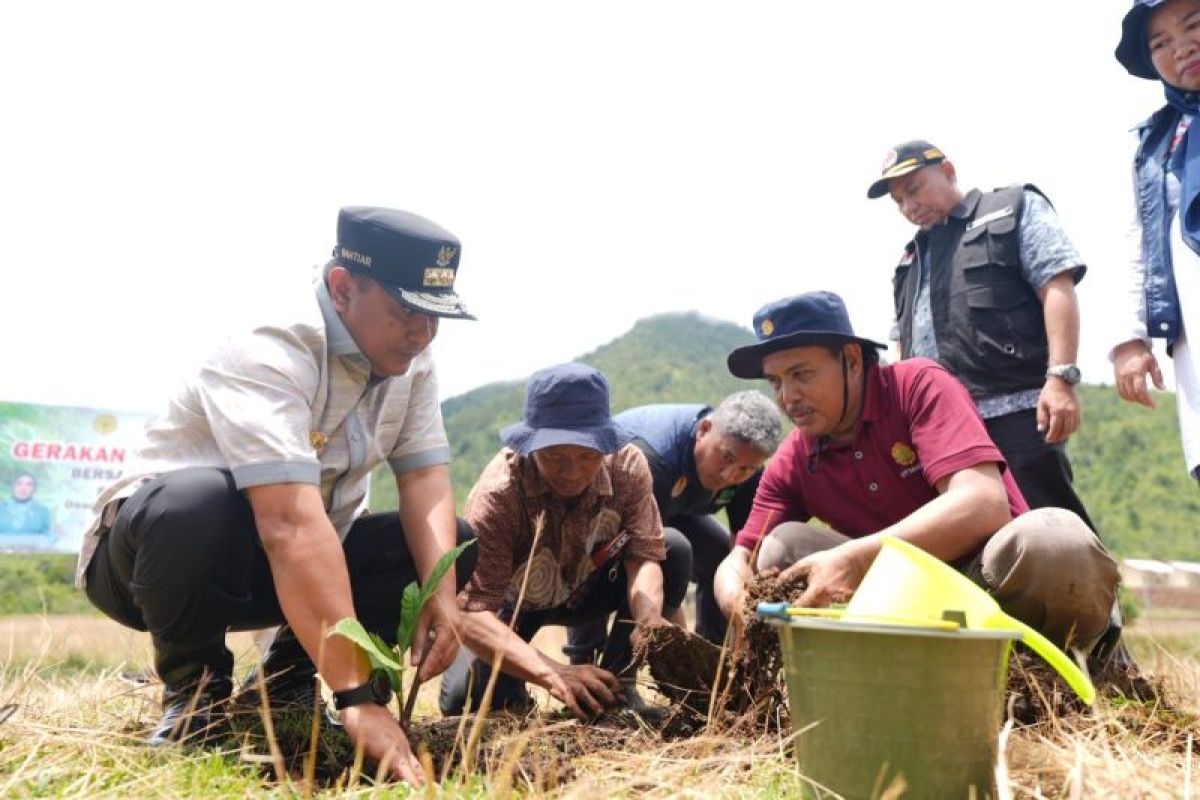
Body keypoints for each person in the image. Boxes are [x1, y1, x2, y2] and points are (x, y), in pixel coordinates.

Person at [76, 207, 476, 785]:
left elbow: (423, 480)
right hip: (155, 563)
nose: (423, 332)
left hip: (287, 567)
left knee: (447, 547)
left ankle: (285, 681)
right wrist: (358, 695)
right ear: (342, 288)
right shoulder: (270, 345)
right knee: (197, 504)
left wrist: (442, 595)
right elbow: (286, 524)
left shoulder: (411, 358)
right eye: (407, 310)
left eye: (436, 316)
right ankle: (197, 696)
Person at [712, 292, 1119, 662]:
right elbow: (741, 557)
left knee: (1057, 539)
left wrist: (856, 559)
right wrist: (735, 594)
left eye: (801, 374)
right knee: (780, 548)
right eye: (776, 382)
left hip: (990, 583)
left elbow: (983, 503)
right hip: (902, 604)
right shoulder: (796, 458)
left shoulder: (917, 386)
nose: (788, 397)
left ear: (852, 361)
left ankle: (1065, 668)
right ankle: (837, 684)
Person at [867, 140, 1096, 529]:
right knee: (967, 541)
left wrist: (1061, 378)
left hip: (1017, 410)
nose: (909, 207)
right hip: (942, 429)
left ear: (949, 171)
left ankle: (1097, 592)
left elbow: (1056, 285)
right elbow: (902, 348)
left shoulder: (1011, 209)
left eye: (915, 189)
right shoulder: (910, 260)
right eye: (899, 201)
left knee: (1050, 528)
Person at [439, 363, 689, 718]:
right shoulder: (499, 494)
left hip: (587, 589)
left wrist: (647, 620)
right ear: (530, 446)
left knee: (674, 549)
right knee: (467, 702)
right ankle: (514, 687)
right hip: (513, 608)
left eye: (588, 457)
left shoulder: (628, 467)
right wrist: (553, 673)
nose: (572, 472)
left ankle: (617, 686)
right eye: (555, 457)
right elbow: (474, 613)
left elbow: (643, 556)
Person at [563, 391, 783, 665]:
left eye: (745, 469)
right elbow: (646, 558)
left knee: (718, 554)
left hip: (672, 509)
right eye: (726, 458)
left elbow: (744, 553)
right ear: (704, 429)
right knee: (663, 555)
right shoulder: (652, 459)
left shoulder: (748, 474)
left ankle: (713, 658)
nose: (730, 476)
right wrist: (677, 644)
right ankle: (597, 663)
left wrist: (744, 623)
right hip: (603, 525)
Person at [1113, 0, 1200, 483]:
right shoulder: (1156, 145)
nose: (1181, 47)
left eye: (1193, 26)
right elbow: (1139, 243)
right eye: (1160, 43)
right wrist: (1130, 339)